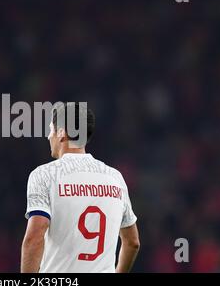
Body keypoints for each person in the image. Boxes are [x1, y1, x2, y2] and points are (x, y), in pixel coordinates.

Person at [21, 102, 140, 273]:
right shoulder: (115, 178)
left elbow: (34, 237)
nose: (48, 136)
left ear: (62, 132)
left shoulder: (44, 175)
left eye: (51, 129)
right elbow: (132, 242)